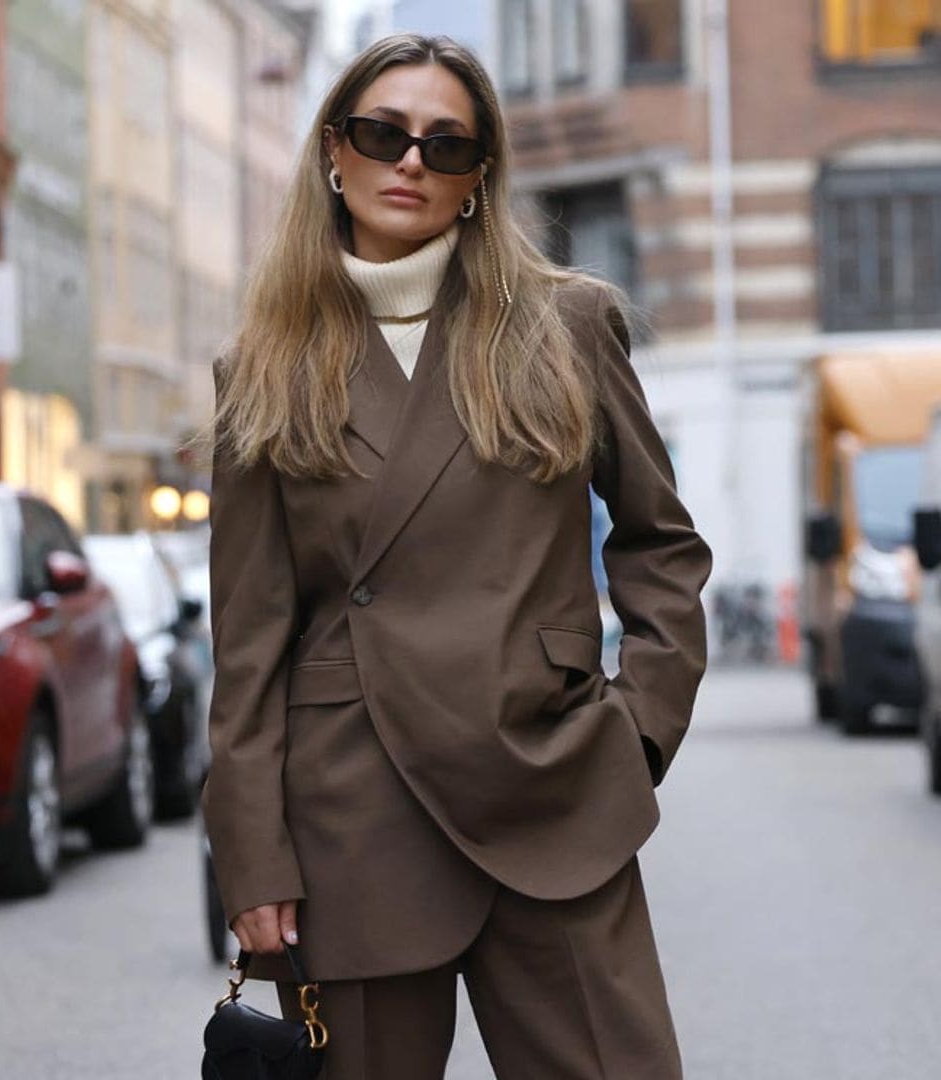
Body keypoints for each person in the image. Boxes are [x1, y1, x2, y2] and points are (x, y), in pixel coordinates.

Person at [203, 33, 712, 1080]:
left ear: (479, 179)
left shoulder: (565, 326)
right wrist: (252, 851)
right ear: (334, 153)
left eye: (446, 145)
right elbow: (248, 638)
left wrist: (638, 732)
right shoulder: (264, 365)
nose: (410, 164)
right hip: (351, 811)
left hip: (552, 789)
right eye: (384, 134)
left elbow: (663, 545)